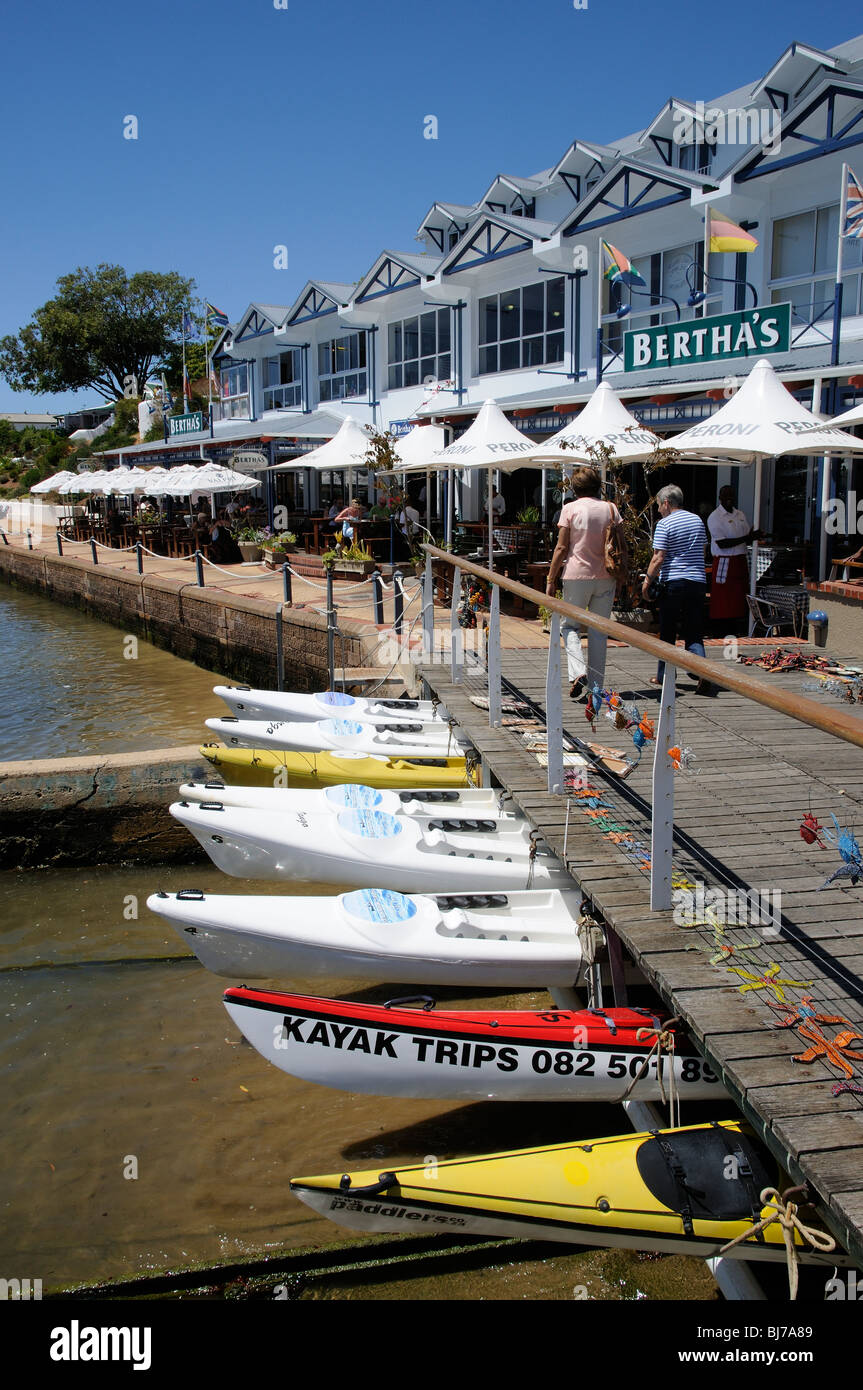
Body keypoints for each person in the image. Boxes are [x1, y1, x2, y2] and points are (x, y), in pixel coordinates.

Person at [546, 466, 620, 699]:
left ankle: (578, 672)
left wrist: (551, 579)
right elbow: (620, 544)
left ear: (575, 488)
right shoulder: (611, 509)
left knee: (569, 627)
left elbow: (561, 547)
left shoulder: (570, 509)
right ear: (597, 485)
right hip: (606, 575)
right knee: (599, 631)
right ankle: (596, 688)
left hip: (576, 576)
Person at [642, 484, 715, 695]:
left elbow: (659, 557)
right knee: (694, 631)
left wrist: (647, 582)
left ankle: (665, 677)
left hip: (673, 582)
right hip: (697, 582)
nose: (657, 510)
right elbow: (702, 552)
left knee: (667, 632)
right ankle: (703, 671)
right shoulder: (698, 521)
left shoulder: (665, 524)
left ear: (666, 503)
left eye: (658, 505)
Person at [706, 485, 762, 628]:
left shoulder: (740, 515)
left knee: (739, 596)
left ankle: (737, 628)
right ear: (720, 498)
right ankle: (721, 629)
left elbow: (746, 538)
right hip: (724, 561)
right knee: (724, 599)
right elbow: (723, 543)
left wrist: (754, 536)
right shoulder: (715, 517)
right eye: (726, 496)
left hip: (740, 561)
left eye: (731, 496)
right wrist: (747, 537)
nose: (729, 499)